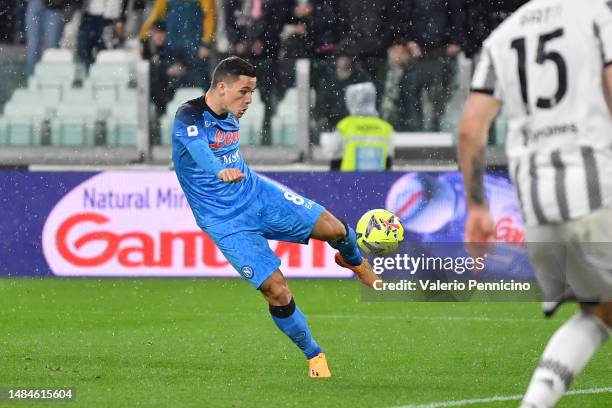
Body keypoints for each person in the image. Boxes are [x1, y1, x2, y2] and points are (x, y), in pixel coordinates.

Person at [171, 56, 380, 378]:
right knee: (276, 289)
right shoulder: (188, 115)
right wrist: (218, 170)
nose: (249, 100)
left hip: (256, 193)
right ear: (222, 87)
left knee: (336, 229)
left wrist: (231, 171)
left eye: (252, 92)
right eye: (244, 91)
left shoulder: (230, 111)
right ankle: (314, 355)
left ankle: (355, 262)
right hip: (223, 220)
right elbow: (199, 149)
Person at [458, 0, 612, 406]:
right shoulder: (597, 16)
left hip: (537, 202)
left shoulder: (502, 36)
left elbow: (471, 129)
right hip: (598, 188)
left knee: (597, 314)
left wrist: (477, 208)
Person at [325, 82, 394, 171]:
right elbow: (389, 159)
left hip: (348, 181)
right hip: (377, 181)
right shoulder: (385, 127)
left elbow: (335, 155)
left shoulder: (344, 126)